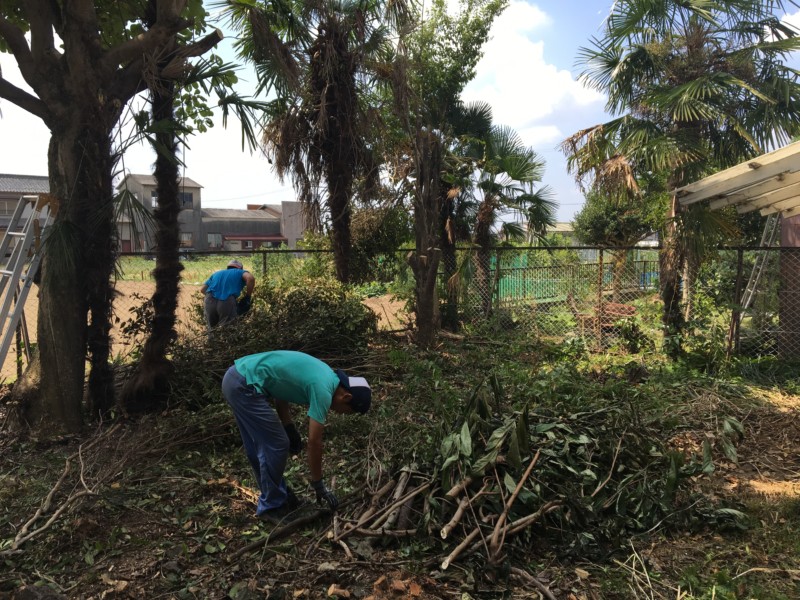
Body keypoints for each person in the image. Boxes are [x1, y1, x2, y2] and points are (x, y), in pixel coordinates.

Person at [221, 350, 372, 524]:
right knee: (277, 444)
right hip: (244, 386)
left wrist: (288, 425)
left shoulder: (327, 375)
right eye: (348, 411)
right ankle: (271, 506)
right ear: (346, 397)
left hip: (236, 377)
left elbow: (281, 387)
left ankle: (279, 495)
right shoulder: (323, 391)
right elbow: (314, 443)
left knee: (259, 446)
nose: (342, 414)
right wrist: (319, 485)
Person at [200, 259, 255, 330]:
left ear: (228, 267)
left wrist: (215, 297)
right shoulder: (240, 272)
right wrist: (248, 296)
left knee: (212, 330)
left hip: (209, 300)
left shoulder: (217, 273)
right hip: (227, 301)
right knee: (228, 330)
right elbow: (250, 278)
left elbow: (202, 289)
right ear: (240, 268)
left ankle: (212, 337)